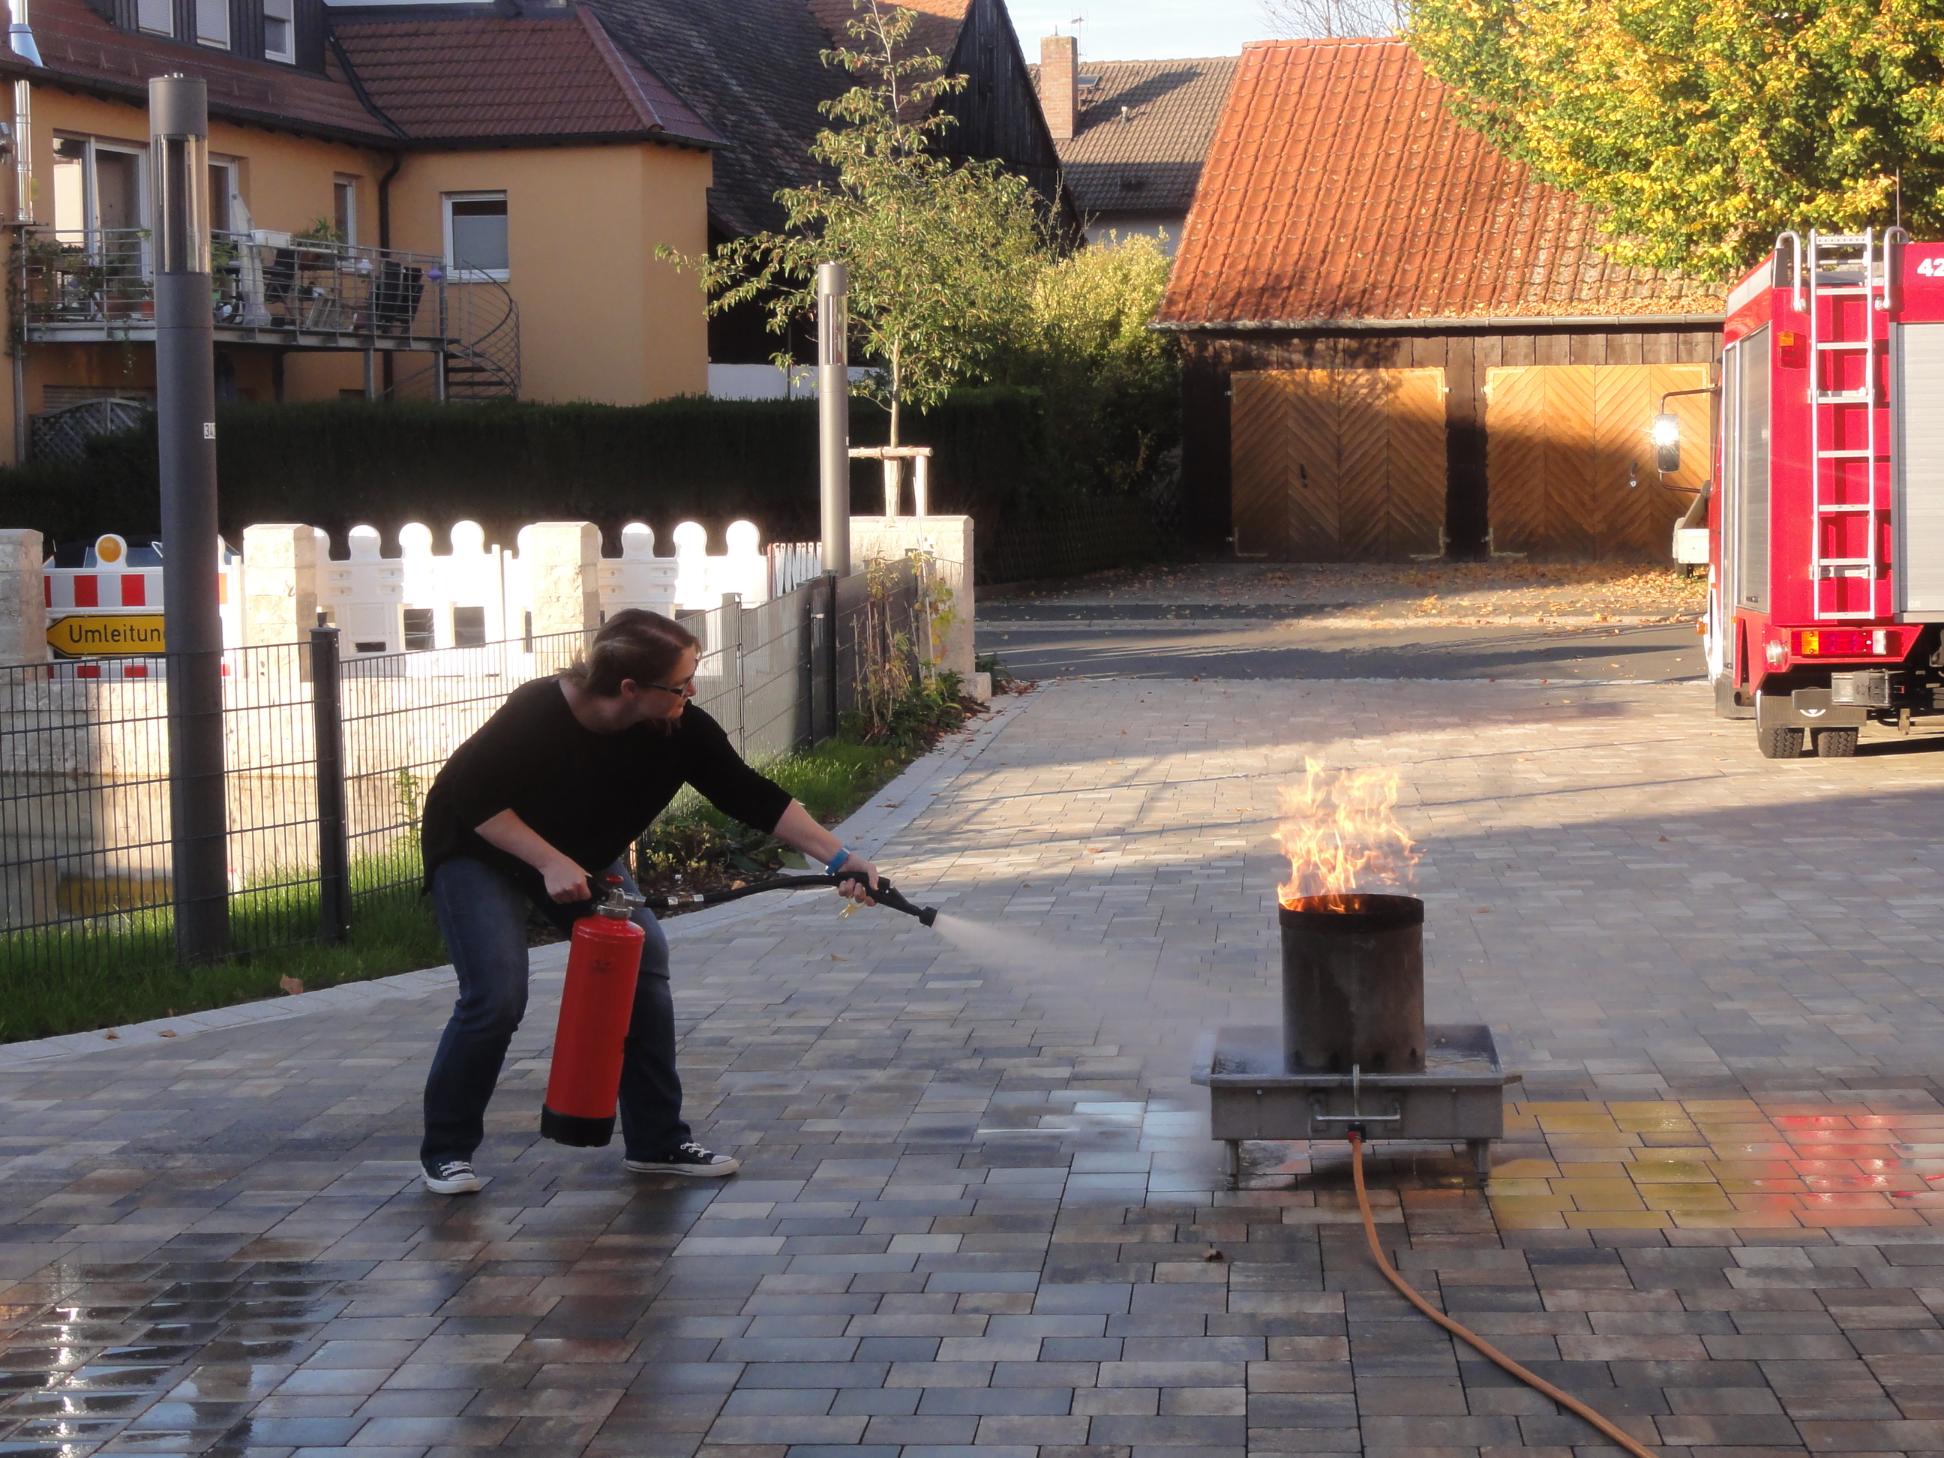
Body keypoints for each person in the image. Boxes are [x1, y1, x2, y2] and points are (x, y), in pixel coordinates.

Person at [415, 608, 880, 1195]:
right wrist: (549, 861)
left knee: (643, 962)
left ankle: (658, 1141)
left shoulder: (678, 727)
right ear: (630, 689)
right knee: (497, 994)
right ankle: (447, 1151)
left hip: (582, 852)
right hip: (479, 849)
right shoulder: (538, 712)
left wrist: (841, 857)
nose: (691, 690)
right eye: (680, 682)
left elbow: (749, 794)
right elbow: (472, 798)